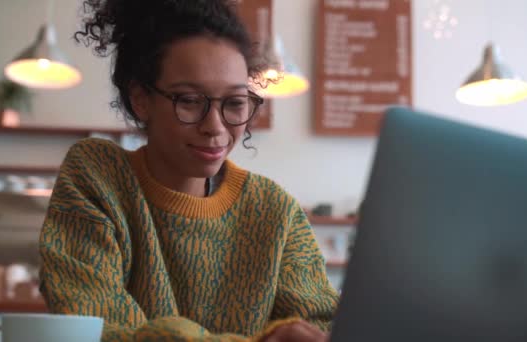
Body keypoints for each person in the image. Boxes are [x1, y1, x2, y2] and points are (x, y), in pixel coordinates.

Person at [38, 0, 339, 341]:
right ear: (140, 98)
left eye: (235, 103)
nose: (215, 127)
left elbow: (329, 328)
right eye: (190, 100)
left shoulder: (275, 212)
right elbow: (93, 328)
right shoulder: (97, 177)